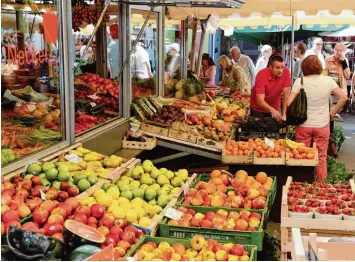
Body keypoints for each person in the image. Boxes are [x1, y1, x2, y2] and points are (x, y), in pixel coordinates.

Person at [287, 55, 347, 182]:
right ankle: (320, 186)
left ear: (304, 67)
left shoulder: (300, 81)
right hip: (322, 125)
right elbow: (343, 97)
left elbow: (288, 103)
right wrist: (332, 112)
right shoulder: (328, 81)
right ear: (319, 66)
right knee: (321, 157)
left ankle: (301, 184)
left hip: (303, 125)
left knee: (302, 156)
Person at [250, 54, 291, 120]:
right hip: (258, 109)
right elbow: (260, 101)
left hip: (275, 107)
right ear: (270, 67)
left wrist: (284, 114)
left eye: (282, 67)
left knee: (275, 128)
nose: (280, 71)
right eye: (277, 68)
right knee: (258, 129)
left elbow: (286, 96)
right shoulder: (261, 75)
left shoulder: (286, 72)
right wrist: (272, 110)